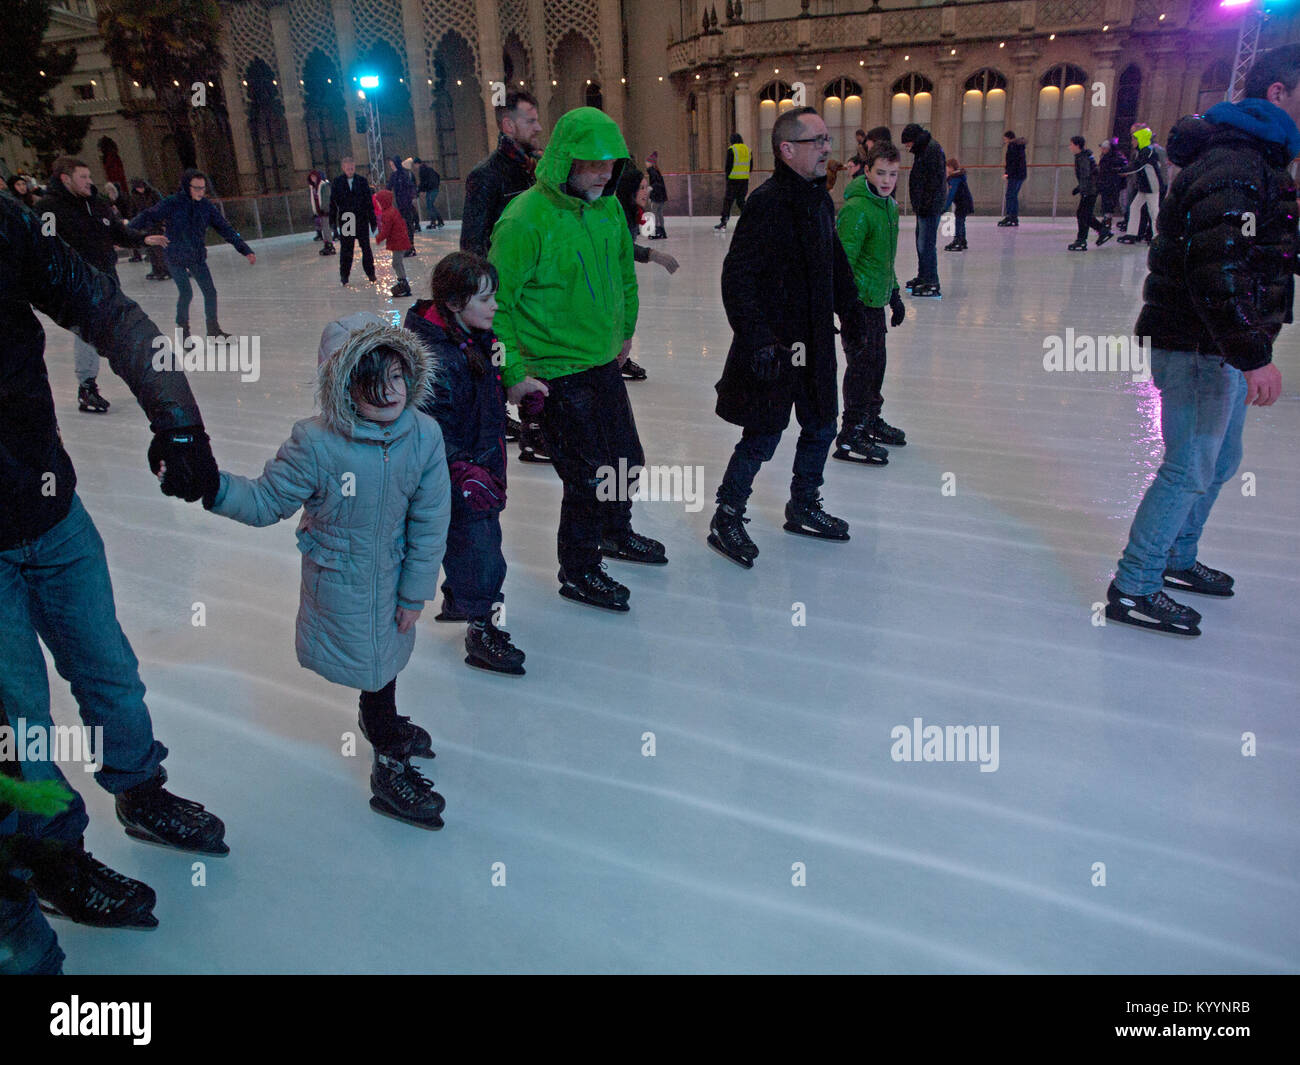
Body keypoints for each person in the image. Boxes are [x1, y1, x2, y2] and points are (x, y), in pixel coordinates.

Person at [0, 193, 229, 950]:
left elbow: (109, 312)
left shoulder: (4, 222)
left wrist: (179, 418)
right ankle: (53, 861)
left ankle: (139, 789)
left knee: (108, 669)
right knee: (18, 722)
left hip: (48, 505)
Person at [204, 313, 451, 827]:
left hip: (396, 575)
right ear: (342, 388)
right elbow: (266, 501)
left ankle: (379, 718)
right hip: (340, 581)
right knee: (375, 663)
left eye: (398, 377)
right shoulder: (316, 443)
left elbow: (431, 520)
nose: (391, 394)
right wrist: (211, 487)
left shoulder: (424, 436)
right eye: (372, 384)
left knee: (387, 660)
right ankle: (388, 761)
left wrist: (416, 591)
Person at [1106, 44, 1299, 637]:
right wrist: (1253, 355)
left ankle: (1176, 558)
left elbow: (1267, 249)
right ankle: (1135, 586)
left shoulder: (1259, 162)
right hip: (1196, 343)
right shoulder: (1236, 161)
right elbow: (1217, 267)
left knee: (1220, 461)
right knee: (1189, 465)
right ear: (1278, 94)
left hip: (1217, 342)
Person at [490, 106, 668, 611]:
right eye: (592, 163)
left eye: (611, 163)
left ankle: (615, 531)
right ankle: (580, 568)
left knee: (626, 461)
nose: (604, 173)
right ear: (565, 160)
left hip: (602, 362)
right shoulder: (524, 220)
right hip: (553, 373)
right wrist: (514, 374)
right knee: (587, 477)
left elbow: (624, 277)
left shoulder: (609, 208)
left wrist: (625, 332)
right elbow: (496, 307)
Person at [709, 106, 868, 568]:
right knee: (763, 432)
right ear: (787, 149)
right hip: (777, 348)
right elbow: (736, 277)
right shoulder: (766, 203)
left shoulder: (818, 199)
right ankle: (727, 515)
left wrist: (852, 314)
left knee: (821, 423)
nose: (827, 149)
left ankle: (803, 504)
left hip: (815, 341)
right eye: (817, 141)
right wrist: (758, 339)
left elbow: (835, 262)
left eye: (826, 140)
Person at [405, 253, 526, 674]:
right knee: (482, 552)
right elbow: (434, 427)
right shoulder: (436, 358)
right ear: (455, 304)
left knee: (470, 543)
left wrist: (519, 393)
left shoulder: (474, 337)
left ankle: (460, 597)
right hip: (461, 475)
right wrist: (463, 471)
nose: (495, 306)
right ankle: (482, 630)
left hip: (481, 462)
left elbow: (483, 400)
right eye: (486, 298)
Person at [35, 156, 167, 413]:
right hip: (76, 284)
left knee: (119, 330)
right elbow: (44, 247)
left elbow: (118, 232)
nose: (89, 181)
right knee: (89, 333)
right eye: (82, 177)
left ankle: (136, 379)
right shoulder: (48, 208)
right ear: (65, 178)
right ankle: (87, 388)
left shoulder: (97, 203)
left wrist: (144, 239)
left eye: (89, 176)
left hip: (107, 280)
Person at [833, 141, 907, 469]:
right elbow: (842, 262)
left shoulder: (889, 207)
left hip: (876, 301)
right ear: (867, 171)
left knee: (877, 365)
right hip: (857, 304)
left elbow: (884, 261)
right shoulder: (857, 209)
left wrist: (894, 294)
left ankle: (870, 420)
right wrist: (846, 309)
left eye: (893, 173)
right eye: (881, 173)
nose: (888, 179)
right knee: (861, 368)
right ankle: (851, 432)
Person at [130, 168, 255, 339]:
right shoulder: (172, 203)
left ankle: (213, 331)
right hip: (175, 256)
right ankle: (184, 333)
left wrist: (244, 249)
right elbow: (148, 215)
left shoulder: (206, 206)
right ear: (187, 187)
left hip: (196, 256)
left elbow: (225, 228)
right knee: (186, 292)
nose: (200, 192)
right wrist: (125, 232)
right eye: (196, 188)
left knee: (210, 292)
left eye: (203, 188)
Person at [614, 165, 679, 382]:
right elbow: (622, 246)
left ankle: (620, 356)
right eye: (642, 188)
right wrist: (653, 254)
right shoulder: (617, 213)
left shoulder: (632, 211)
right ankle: (615, 358)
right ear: (630, 190)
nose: (647, 191)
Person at [461, 90, 543, 258]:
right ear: (509, 126)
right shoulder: (486, 175)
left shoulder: (536, 168)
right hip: (510, 277)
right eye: (531, 121)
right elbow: (473, 246)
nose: (538, 127)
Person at [900, 122, 946, 298]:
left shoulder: (931, 150)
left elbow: (933, 182)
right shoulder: (923, 150)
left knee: (926, 244)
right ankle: (923, 276)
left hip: (929, 207)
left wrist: (925, 204)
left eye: (907, 143)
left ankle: (932, 281)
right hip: (924, 206)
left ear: (914, 139)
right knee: (921, 244)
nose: (907, 147)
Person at [328, 156, 377, 286]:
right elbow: (333, 203)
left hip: (361, 218)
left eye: (352, 168)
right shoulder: (337, 182)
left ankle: (371, 273)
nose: (350, 170)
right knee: (346, 250)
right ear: (343, 168)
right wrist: (332, 222)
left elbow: (368, 202)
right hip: (347, 219)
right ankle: (344, 276)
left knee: (366, 248)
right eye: (348, 168)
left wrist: (373, 221)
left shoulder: (362, 181)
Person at [1067, 136, 1112, 251]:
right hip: (1089, 189)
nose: (1069, 147)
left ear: (1077, 145)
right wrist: (1079, 188)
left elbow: (1086, 175)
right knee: (1084, 214)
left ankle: (1085, 238)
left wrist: (1082, 189)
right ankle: (1099, 232)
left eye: (1071, 144)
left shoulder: (1083, 158)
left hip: (1090, 190)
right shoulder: (1082, 156)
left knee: (1083, 214)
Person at [1118, 127, 1161, 245]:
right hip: (1145, 186)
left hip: (1152, 186)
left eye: (1134, 139)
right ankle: (1132, 233)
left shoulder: (1147, 151)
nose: (1132, 142)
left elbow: (1138, 166)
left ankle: (1157, 236)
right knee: (1135, 207)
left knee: (1154, 211)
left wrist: (1121, 170)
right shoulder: (1142, 151)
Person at [126, 176, 171, 279]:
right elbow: (132, 211)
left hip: (156, 224)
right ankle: (156, 269)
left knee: (159, 248)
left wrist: (164, 223)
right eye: (138, 188)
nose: (140, 189)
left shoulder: (153, 193)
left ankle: (165, 269)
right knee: (150, 250)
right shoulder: (134, 197)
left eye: (141, 187)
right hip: (144, 226)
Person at [375, 188, 413, 297]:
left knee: (396, 262)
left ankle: (403, 281)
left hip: (398, 242)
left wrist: (379, 238)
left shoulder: (388, 213)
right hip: (399, 240)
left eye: (379, 202)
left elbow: (386, 230)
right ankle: (402, 281)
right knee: (397, 262)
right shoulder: (392, 210)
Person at [714, 133, 751, 230]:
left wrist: (727, 178)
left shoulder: (732, 149)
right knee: (741, 201)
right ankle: (749, 219)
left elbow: (728, 166)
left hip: (733, 180)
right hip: (744, 180)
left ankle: (724, 221)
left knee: (728, 201)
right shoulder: (748, 150)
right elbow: (750, 167)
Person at [386, 156, 419, 254]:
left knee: (407, 224)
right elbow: (388, 188)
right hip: (399, 204)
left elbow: (410, 186)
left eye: (392, 164)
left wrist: (412, 197)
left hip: (406, 203)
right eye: (390, 165)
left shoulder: (404, 174)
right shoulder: (394, 175)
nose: (391, 166)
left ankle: (410, 246)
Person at [943, 156, 973, 252]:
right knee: (960, 220)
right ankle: (962, 240)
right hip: (963, 202)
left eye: (947, 167)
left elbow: (951, 194)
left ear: (951, 167)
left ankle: (958, 241)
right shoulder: (957, 177)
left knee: (959, 221)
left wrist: (944, 208)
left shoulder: (955, 178)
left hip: (963, 203)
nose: (946, 170)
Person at [1097, 138, 1128, 226]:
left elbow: (1123, 170)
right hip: (1106, 183)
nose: (1102, 150)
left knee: (1114, 202)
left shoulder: (1117, 158)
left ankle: (1109, 218)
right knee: (1106, 201)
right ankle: (1107, 218)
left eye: (1104, 148)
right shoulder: (1105, 157)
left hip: (1114, 184)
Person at [999, 130, 1027, 226]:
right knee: (1013, 195)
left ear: (1008, 138)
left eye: (1005, 139)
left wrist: (1008, 173)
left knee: (1010, 195)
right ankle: (1012, 216)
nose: (1004, 141)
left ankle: (1011, 216)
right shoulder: (1019, 146)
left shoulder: (1013, 146)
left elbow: (1012, 162)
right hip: (1020, 175)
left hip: (1015, 175)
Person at [308, 168, 335, 255]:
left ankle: (330, 244)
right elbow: (314, 200)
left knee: (326, 228)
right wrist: (316, 211)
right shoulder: (313, 187)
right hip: (319, 211)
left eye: (314, 176)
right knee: (323, 228)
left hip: (325, 211)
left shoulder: (323, 185)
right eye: (311, 177)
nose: (313, 178)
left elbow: (327, 198)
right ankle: (326, 243)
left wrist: (325, 209)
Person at [645, 151, 668, 238]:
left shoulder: (652, 171)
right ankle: (662, 231)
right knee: (659, 213)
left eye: (647, 162)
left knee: (654, 213)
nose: (646, 164)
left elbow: (656, 183)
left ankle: (655, 231)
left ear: (650, 163)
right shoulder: (656, 171)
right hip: (661, 196)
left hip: (657, 196)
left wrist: (651, 188)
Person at [416, 157, 443, 229]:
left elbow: (423, 182)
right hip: (434, 188)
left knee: (429, 206)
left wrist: (419, 190)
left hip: (431, 189)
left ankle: (433, 222)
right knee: (431, 205)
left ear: (417, 164)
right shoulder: (429, 169)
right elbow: (437, 176)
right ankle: (439, 221)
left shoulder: (422, 170)